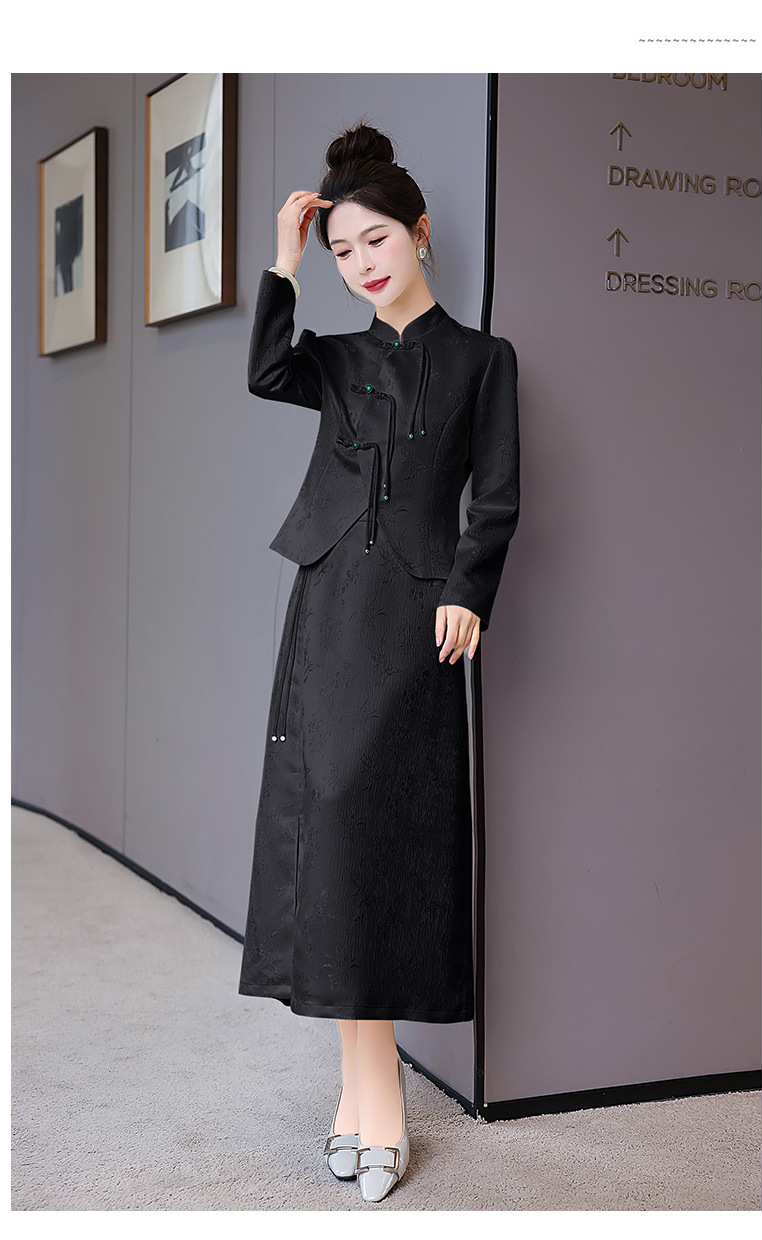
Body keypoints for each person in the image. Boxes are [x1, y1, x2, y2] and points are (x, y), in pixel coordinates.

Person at [238, 121, 520, 1203]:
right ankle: (369, 1091)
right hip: (329, 607)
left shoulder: (483, 360)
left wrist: (467, 591)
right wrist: (282, 258)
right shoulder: (333, 358)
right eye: (341, 250)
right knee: (335, 839)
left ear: (420, 232)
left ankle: (373, 1096)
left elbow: (495, 496)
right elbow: (266, 369)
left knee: (384, 843)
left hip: (416, 618)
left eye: (375, 241)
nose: (360, 264)